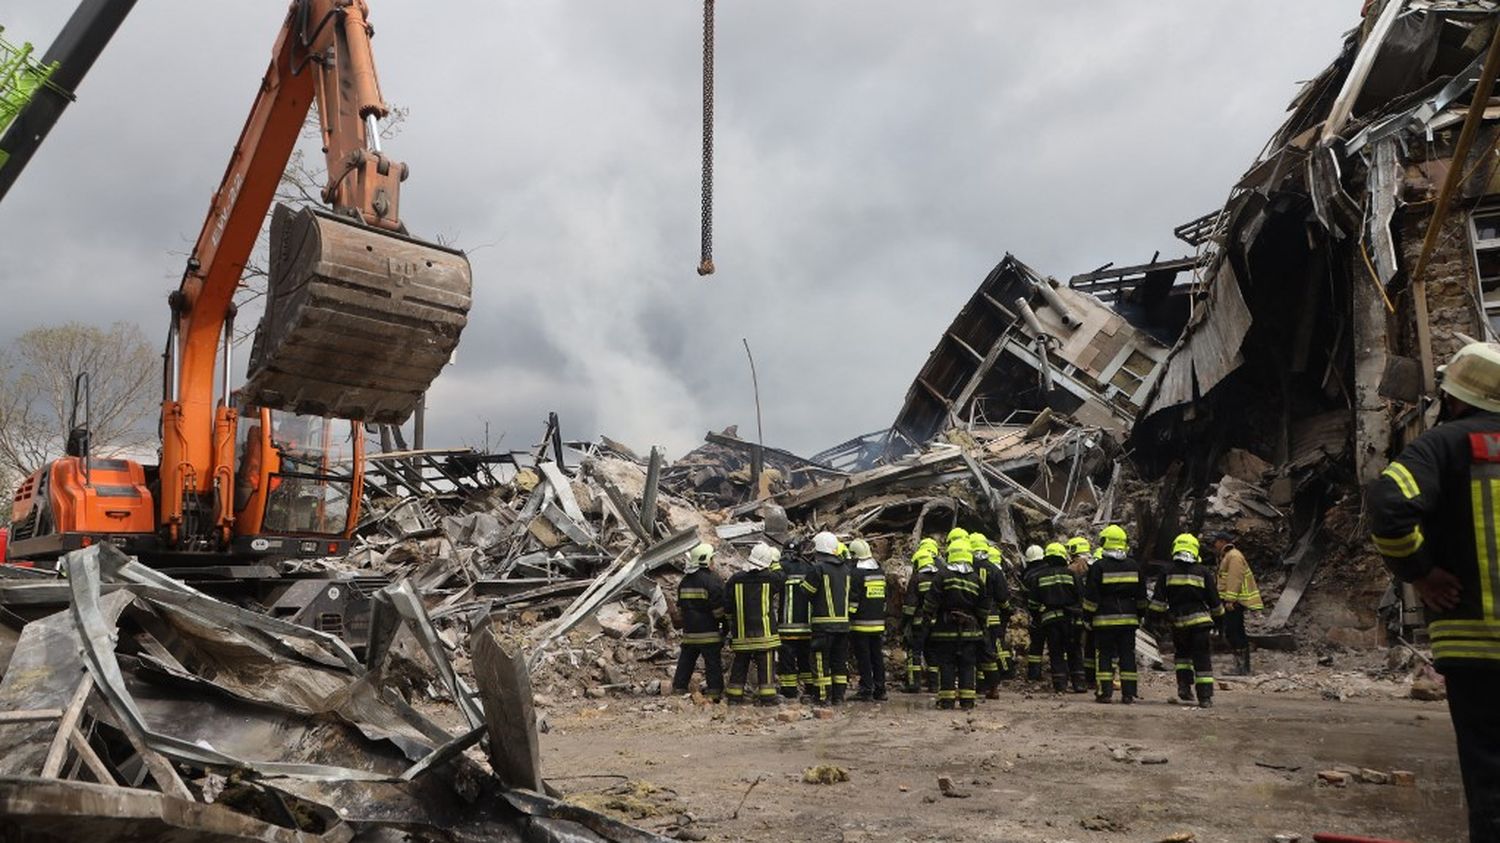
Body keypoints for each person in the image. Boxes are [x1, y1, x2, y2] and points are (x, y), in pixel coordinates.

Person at [1368, 341, 1500, 841]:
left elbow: (1389, 507)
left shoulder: (1441, 445)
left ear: (1458, 397)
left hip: (1475, 640)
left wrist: (1420, 572)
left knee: (1490, 775)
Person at [1148, 532, 1223, 708]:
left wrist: (1152, 621)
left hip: (1179, 623)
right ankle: (1205, 697)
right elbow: (1215, 601)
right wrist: (1220, 622)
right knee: (1202, 658)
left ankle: (1184, 687)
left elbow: (1158, 602)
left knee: (1182, 657)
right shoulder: (1203, 571)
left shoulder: (1167, 571)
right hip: (1200, 623)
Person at [923, 533, 989, 710]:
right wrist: (981, 625)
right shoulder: (976, 579)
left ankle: (947, 701)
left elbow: (930, 602)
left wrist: (927, 621)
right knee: (968, 665)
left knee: (947, 665)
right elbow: (984, 607)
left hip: (945, 630)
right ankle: (967, 701)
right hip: (970, 631)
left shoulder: (942, 575)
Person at [1083, 524, 1148, 704]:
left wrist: (1087, 617)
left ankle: (1105, 692)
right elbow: (1142, 596)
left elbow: (1091, 597)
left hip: (1104, 620)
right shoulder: (1133, 566)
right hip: (1128, 620)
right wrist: (1140, 615)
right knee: (1127, 656)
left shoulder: (1098, 567)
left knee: (1104, 655)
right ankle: (1128, 693)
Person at [723, 542, 785, 706]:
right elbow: (782, 577)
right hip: (764, 633)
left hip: (742, 633)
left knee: (740, 664)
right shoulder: (771, 579)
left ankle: (734, 697)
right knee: (766, 665)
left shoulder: (735, 579)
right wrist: (775, 563)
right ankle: (768, 697)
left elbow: (727, 606)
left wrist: (731, 626)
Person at [1024, 542, 1086, 692]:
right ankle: (1079, 684)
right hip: (1072, 619)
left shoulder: (1039, 576)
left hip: (1051, 621)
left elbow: (1032, 603)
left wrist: (1037, 615)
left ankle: (1060, 685)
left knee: (1056, 651)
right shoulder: (1071, 575)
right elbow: (1081, 596)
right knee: (1074, 650)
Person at [801, 531, 853, 705]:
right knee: (839, 662)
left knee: (820, 661)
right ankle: (838, 697)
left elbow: (806, 592)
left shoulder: (818, 568)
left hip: (823, 626)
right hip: (843, 626)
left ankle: (822, 697)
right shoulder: (846, 569)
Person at [672, 542, 726, 702]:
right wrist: (725, 626)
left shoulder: (685, 582)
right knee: (713, 664)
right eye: (712, 559)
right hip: (709, 633)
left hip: (689, 633)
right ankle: (714, 693)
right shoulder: (712, 580)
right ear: (706, 560)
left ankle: (678, 688)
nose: (713, 563)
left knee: (686, 662)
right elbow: (719, 611)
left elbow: (681, 609)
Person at [1208, 531, 1263, 675]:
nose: (1214, 545)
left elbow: (1235, 579)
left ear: (1222, 541)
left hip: (1234, 602)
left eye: (1216, 542)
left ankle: (1242, 668)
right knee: (1235, 631)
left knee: (1234, 632)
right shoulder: (1229, 556)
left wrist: (1230, 600)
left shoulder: (1234, 556)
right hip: (1233, 601)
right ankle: (1242, 667)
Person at [971, 533, 1014, 697]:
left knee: (973, 652)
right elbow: (1003, 597)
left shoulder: (969, 568)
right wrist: (1007, 611)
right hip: (993, 617)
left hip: (973, 617)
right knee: (989, 652)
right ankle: (993, 686)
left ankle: (978, 685)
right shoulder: (995, 570)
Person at [773, 540, 816, 699]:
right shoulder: (811, 568)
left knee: (787, 660)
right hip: (807, 625)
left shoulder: (781, 567)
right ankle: (810, 688)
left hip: (787, 625)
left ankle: (789, 691)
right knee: (806, 658)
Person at [847, 538, 889, 701]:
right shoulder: (879, 571)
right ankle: (880, 689)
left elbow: (854, 600)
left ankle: (866, 689)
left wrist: (848, 616)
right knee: (877, 657)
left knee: (863, 657)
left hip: (861, 624)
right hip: (878, 623)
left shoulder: (857, 573)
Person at [900, 538, 941, 692]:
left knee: (914, 653)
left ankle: (914, 684)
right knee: (932, 654)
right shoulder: (939, 578)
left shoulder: (917, 578)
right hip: (935, 623)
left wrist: (904, 623)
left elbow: (910, 606)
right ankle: (934, 685)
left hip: (919, 624)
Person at [1066, 536, 1096, 687]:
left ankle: (1079, 677)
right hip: (1096, 611)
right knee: (1093, 646)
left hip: (1077, 612)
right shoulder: (1097, 563)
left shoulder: (1074, 568)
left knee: (1077, 645)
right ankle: (1092, 678)